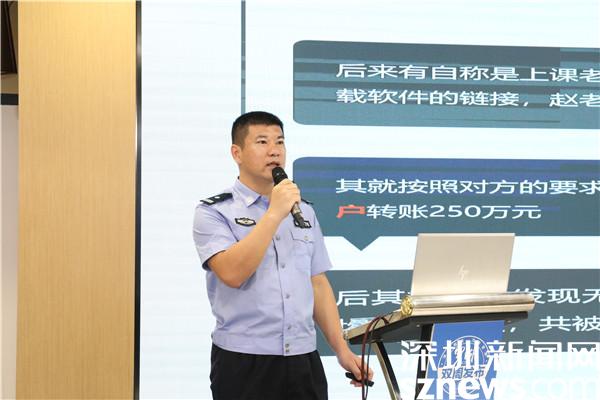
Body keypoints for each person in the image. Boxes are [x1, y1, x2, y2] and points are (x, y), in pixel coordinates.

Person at [193, 111, 373, 399]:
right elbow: (232, 273)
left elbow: (317, 283)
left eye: (280, 141)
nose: (274, 150)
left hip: (303, 359)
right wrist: (274, 213)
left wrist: (341, 350)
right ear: (237, 153)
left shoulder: (305, 211)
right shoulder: (214, 212)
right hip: (243, 361)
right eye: (262, 142)